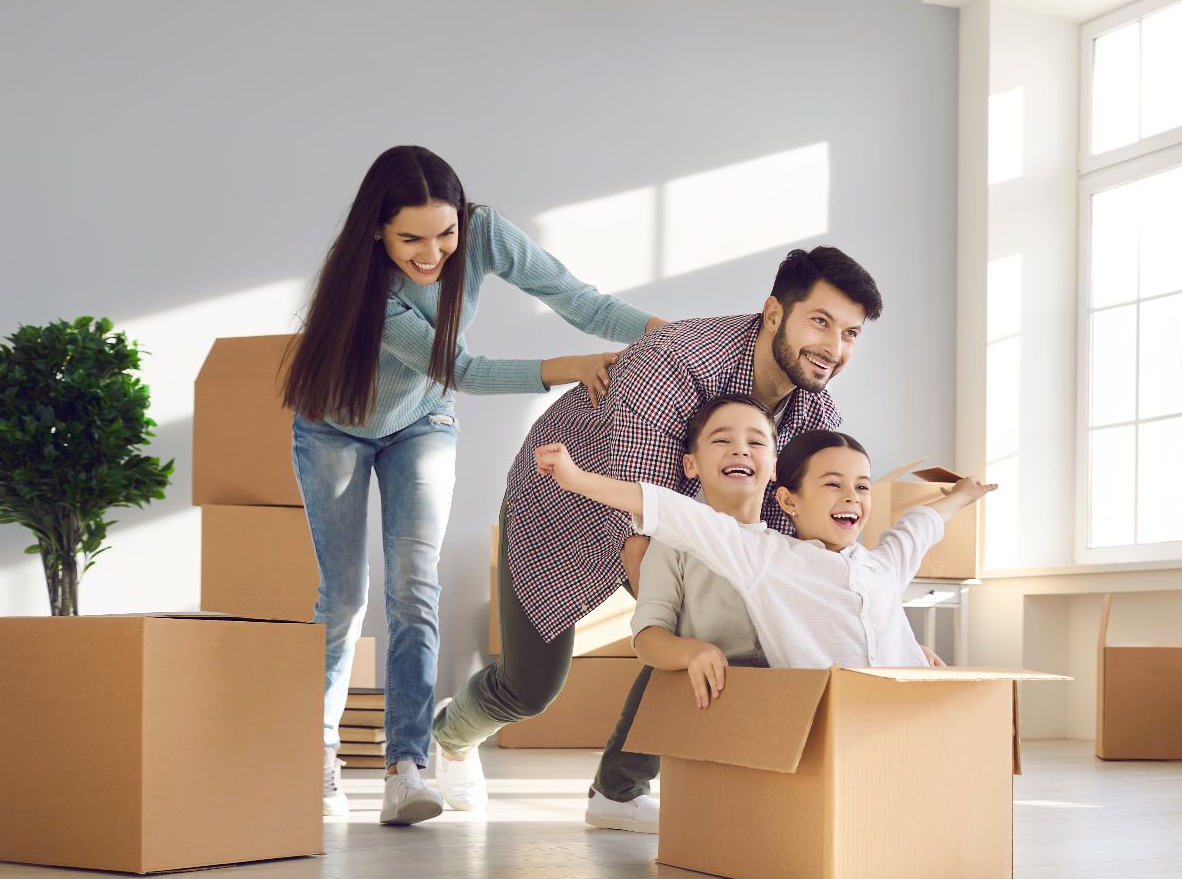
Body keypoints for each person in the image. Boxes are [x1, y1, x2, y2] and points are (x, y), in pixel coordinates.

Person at [283, 144, 664, 826]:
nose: (434, 254)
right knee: (344, 597)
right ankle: (316, 758)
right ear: (377, 230)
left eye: (446, 233)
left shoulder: (484, 236)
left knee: (414, 587)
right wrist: (566, 367)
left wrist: (667, 335)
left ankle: (406, 768)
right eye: (412, 240)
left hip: (422, 421)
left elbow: (575, 297)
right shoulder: (371, 288)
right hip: (334, 428)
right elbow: (458, 366)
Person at [429, 247, 886, 813]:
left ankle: (617, 791)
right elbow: (642, 529)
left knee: (716, 622)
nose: (833, 349)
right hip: (565, 503)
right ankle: (449, 734)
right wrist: (689, 636)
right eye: (820, 322)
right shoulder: (671, 361)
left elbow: (808, 550)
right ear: (774, 313)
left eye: (850, 334)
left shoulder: (815, 418)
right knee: (530, 687)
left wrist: (889, 641)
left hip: (675, 524)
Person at [529, 430, 995, 673]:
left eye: (861, 487)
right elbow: (675, 512)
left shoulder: (880, 566)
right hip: (835, 720)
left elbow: (919, 526)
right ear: (789, 500)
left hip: (911, 709)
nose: (851, 497)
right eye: (832, 485)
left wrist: (962, 495)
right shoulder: (766, 559)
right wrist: (576, 479)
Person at [584, 394, 778, 833]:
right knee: (665, 669)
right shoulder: (673, 541)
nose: (740, 450)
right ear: (691, 466)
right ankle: (617, 789)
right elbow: (648, 637)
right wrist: (690, 652)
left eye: (755, 442)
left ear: (775, 466)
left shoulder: (789, 546)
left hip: (767, 688)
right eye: (722, 440)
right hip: (697, 677)